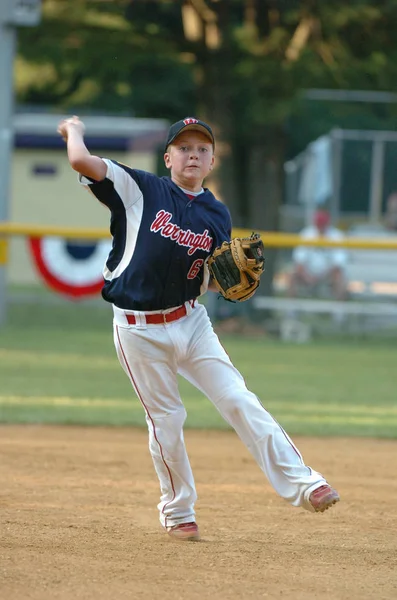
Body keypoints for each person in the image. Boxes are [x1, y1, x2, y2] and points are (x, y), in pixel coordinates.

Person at [57, 115, 340, 542]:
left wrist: (225, 282)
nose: (193, 154)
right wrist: (72, 129)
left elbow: (205, 277)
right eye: (184, 147)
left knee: (238, 398)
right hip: (138, 331)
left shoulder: (215, 213)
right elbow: (80, 161)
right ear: (167, 156)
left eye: (201, 149)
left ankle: (305, 484)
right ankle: (178, 511)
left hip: (191, 322)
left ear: (211, 161)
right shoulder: (140, 188)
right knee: (166, 421)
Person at [288, 209, 348, 300]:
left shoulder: (337, 235)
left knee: (340, 277)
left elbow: (338, 265)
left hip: (328, 275)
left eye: (322, 224)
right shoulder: (307, 234)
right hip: (308, 274)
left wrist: (324, 276)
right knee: (292, 275)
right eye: (318, 224)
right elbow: (299, 262)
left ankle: (339, 312)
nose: (320, 227)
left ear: (328, 223)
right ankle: (291, 310)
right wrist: (308, 277)